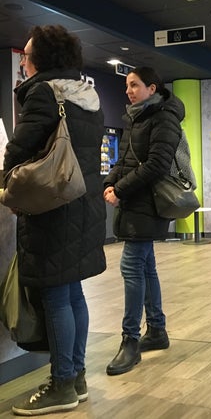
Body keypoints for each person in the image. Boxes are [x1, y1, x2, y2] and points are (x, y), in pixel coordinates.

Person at [3, 25, 106, 415]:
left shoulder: (45, 93)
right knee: (72, 293)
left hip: (52, 209)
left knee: (55, 296)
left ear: (40, 59)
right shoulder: (88, 97)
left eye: (27, 56)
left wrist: (7, 186)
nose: (24, 62)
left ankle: (62, 384)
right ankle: (75, 377)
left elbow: (19, 149)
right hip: (82, 205)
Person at [103, 66, 184, 376]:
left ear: (152, 88)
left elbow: (157, 164)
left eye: (134, 85)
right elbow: (124, 160)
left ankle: (130, 341)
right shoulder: (135, 117)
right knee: (146, 267)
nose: (128, 91)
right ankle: (157, 330)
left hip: (148, 204)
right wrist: (110, 182)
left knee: (131, 267)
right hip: (134, 203)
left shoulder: (164, 117)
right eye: (127, 86)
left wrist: (120, 190)